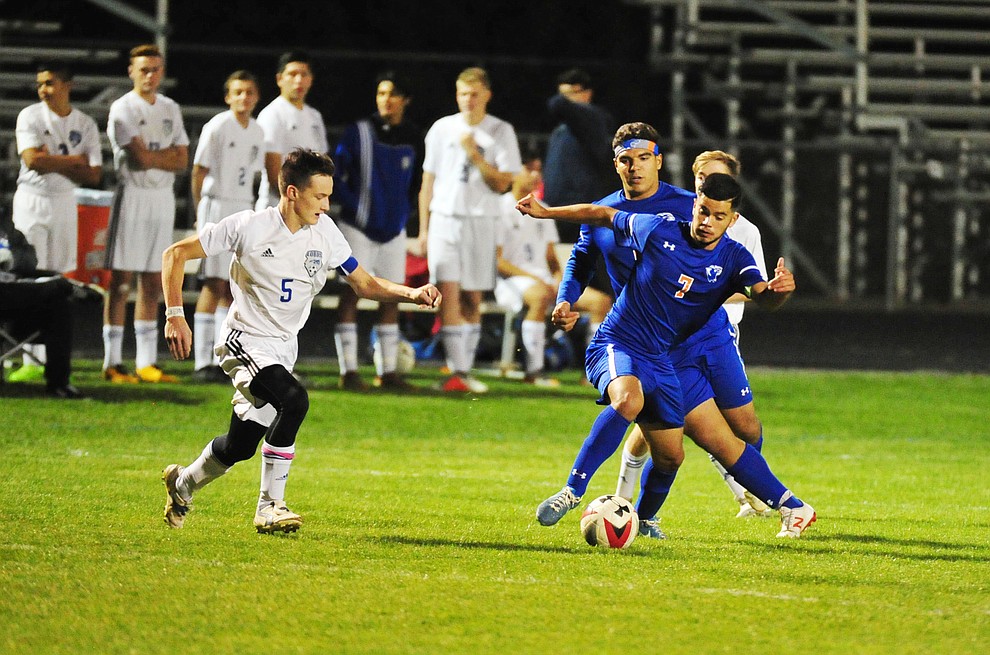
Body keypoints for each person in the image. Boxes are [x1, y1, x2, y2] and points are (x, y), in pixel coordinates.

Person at [518, 170, 817, 540]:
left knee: (682, 453)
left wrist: (779, 290)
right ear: (695, 204)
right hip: (619, 342)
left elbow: (764, 296)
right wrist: (547, 213)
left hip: (666, 359)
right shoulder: (657, 230)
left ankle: (793, 507)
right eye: (703, 211)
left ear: (732, 219)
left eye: (718, 216)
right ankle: (571, 491)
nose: (707, 222)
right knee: (628, 399)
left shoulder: (734, 258)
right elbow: (601, 214)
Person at [159, 148, 441, 533]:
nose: (326, 205)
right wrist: (176, 316)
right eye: (319, 196)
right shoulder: (248, 226)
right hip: (245, 342)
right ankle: (270, 506)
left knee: (239, 446)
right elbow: (175, 254)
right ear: (292, 192)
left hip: (281, 351)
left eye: (328, 196)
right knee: (294, 400)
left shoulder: (325, 232)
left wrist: (411, 294)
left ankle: (183, 482)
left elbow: (365, 284)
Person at [614, 150, 775, 520]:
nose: (708, 185)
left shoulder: (745, 231)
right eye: (702, 178)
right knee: (663, 425)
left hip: (721, 335)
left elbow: (755, 287)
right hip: (673, 337)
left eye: (717, 178)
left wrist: (710, 287)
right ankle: (626, 502)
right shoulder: (675, 222)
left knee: (743, 425)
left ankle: (753, 491)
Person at [418, 67, 522, 393]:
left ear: (487, 95)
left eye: (474, 93)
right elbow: (428, 182)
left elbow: (504, 182)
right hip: (445, 219)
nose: (468, 100)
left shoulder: (501, 131)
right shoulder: (441, 128)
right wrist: (423, 229)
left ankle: (465, 369)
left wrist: (475, 154)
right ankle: (456, 373)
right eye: (463, 93)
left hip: (482, 220)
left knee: (471, 297)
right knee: (447, 291)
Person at [8, 63, 102, 383]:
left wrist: (55, 162)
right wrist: (74, 161)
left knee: (58, 277)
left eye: (49, 83)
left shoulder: (85, 124)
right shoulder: (30, 116)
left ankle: (51, 359)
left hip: (64, 202)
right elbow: (32, 160)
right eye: (40, 84)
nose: (43, 90)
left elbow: (94, 174)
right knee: (29, 276)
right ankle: (26, 357)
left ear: (67, 85)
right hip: (32, 200)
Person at [103, 44, 189, 384]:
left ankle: (145, 362)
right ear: (131, 71)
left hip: (162, 198)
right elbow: (139, 159)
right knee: (121, 281)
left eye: (155, 69)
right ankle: (112, 362)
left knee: (154, 281)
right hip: (133, 195)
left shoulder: (170, 108)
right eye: (143, 69)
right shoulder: (122, 108)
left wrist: (159, 157)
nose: (150, 75)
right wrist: (161, 156)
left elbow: (182, 160)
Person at [332, 71, 423, 391]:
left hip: (392, 230)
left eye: (393, 94)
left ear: (405, 100)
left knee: (392, 296)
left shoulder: (413, 136)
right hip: (358, 227)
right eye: (382, 93)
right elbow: (337, 176)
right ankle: (349, 371)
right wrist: (357, 212)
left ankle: (388, 372)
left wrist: (400, 215)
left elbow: (415, 185)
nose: (386, 99)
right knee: (352, 292)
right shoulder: (359, 132)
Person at [494, 151, 610, 386]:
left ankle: (593, 374)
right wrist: (535, 279)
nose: (536, 175)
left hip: (543, 281)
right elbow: (498, 262)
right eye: (529, 169)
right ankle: (534, 372)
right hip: (511, 282)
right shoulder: (499, 209)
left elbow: (550, 256)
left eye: (539, 170)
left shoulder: (542, 208)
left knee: (601, 303)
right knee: (541, 296)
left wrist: (558, 276)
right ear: (514, 172)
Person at [189, 70, 266, 383]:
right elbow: (198, 170)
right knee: (213, 282)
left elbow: (255, 173)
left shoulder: (258, 131)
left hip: (242, 207)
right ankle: (200, 362)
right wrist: (200, 214)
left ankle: (221, 358)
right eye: (237, 92)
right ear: (227, 96)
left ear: (256, 96)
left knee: (233, 285)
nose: (243, 98)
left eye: (248, 92)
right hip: (217, 205)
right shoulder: (218, 126)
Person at [0, 220, 93, 399]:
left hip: (13, 299)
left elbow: (28, 264)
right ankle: (66, 286)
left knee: (58, 306)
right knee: (55, 289)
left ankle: (59, 383)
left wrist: (14, 256)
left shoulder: (8, 231)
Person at [542, 68, 616, 243]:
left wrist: (562, 95)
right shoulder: (562, 130)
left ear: (587, 94)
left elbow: (556, 104)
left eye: (571, 93)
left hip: (580, 211)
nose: (567, 99)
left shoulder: (593, 118)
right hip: (557, 211)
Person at [255, 51, 328, 211]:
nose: (299, 80)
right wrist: (295, 201)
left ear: (311, 79)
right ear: (280, 79)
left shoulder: (315, 116)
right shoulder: (272, 114)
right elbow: (273, 169)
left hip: (310, 209)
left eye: (304, 74)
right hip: (278, 208)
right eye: (292, 74)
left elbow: (323, 164)